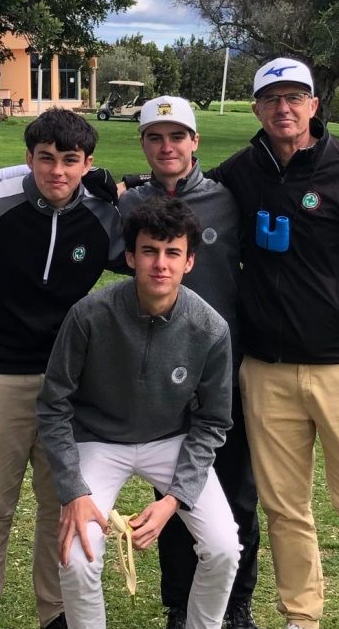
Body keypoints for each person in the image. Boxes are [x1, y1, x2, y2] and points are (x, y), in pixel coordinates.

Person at [208, 58, 339, 629]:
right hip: (266, 371)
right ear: (257, 108)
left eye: (296, 97)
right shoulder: (243, 171)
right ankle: (303, 617)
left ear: (314, 106)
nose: (284, 108)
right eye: (273, 99)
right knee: (283, 508)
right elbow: (187, 198)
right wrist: (117, 187)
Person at [0, 108, 124, 629]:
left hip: (66, 384)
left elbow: (161, 249)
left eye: (70, 160)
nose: (56, 171)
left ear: (88, 163)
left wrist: (128, 192)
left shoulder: (105, 217)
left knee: (59, 504)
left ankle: (55, 613)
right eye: (45, 159)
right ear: (29, 158)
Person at [37, 197, 240, 629]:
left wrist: (173, 501)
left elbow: (212, 422)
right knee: (77, 557)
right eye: (149, 251)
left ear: (189, 262)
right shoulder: (89, 315)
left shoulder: (210, 329)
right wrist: (73, 490)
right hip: (98, 441)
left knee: (223, 548)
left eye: (173, 253)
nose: (160, 264)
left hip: (170, 440)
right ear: (131, 257)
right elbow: (54, 406)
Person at [118, 96, 260, 629]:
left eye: (177, 136)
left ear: (195, 142)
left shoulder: (227, 199)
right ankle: (181, 603)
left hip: (226, 366)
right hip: (161, 372)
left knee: (239, 488)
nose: (167, 146)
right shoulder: (129, 207)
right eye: (155, 137)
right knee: (173, 489)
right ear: (144, 145)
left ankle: (236, 602)